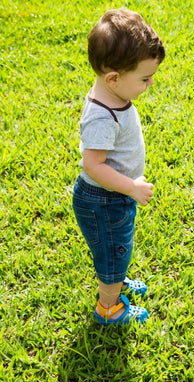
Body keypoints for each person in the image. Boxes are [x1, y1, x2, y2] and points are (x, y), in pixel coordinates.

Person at [72, 8, 165, 325]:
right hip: (105, 201)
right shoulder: (101, 116)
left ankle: (116, 281)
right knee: (113, 252)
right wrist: (131, 187)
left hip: (112, 198)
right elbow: (94, 166)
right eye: (144, 78)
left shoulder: (112, 94)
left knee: (117, 249)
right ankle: (108, 308)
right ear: (114, 78)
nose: (150, 83)